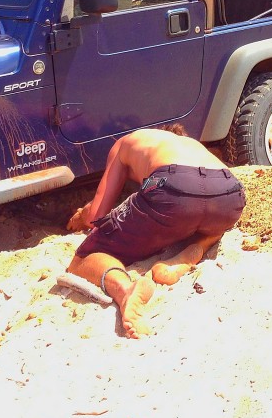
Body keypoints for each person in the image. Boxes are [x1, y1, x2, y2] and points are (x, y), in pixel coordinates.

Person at [65, 125, 246, 338]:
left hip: (171, 183)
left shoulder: (128, 141)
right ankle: (195, 248)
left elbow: (96, 215)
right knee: (208, 218)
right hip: (229, 193)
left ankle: (125, 290)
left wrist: (81, 216)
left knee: (82, 258)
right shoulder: (193, 146)